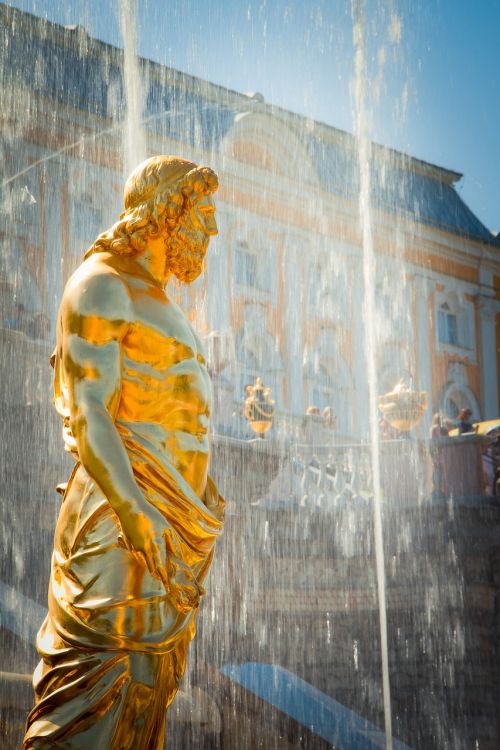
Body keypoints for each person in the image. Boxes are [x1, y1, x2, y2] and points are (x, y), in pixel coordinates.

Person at [22, 156, 225, 749]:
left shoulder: (159, 300)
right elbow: (90, 412)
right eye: (205, 215)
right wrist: (136, 512)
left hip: (170, 529)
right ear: (171, 210)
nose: (211, 231)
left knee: (147, 690)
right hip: (121, 519)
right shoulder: (102, 283)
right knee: (99, 690)